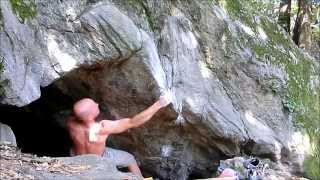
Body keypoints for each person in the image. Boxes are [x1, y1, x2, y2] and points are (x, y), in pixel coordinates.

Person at [66, 92, 172, 177]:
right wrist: (159, 104)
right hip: (97, 161)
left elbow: (78, 115)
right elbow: (133, 122)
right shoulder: (102, 128)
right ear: (89, 116)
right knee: (130, 159)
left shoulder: (70, 123)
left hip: (76, 157)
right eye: (94, 105)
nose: (97, 104)